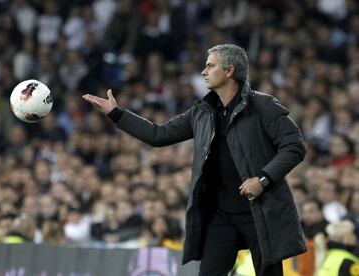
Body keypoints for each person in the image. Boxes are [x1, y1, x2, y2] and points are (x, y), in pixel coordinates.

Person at [83, 44, 306, 275]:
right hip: (221, 215)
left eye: (210, 65)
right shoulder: (202, 111)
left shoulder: (263, 106)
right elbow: (158, 135)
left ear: (229, 71)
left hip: (260, 212)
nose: (203, 71)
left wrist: (262, 180)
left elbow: (294, 146)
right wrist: (116, 113)